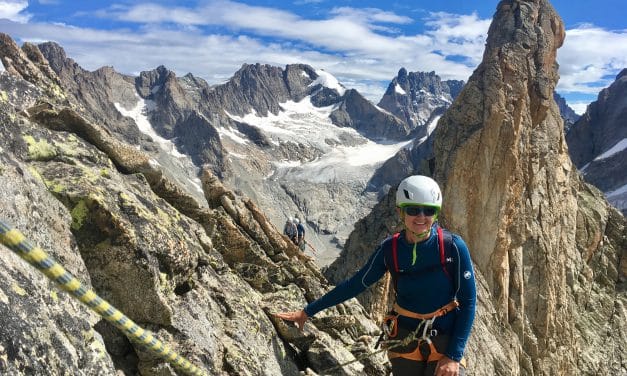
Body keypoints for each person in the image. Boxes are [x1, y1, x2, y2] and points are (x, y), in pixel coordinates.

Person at [275, 175, 476, 376]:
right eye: (413, 210)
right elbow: (356, 284)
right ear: (400, 211)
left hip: (444, 337)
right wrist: (307, 312)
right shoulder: (391, 249)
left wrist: (453, 356)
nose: (421, 217)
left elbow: (468, 302)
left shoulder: (453, 247)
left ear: (436, 213)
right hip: (404, 338)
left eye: (429, 210)